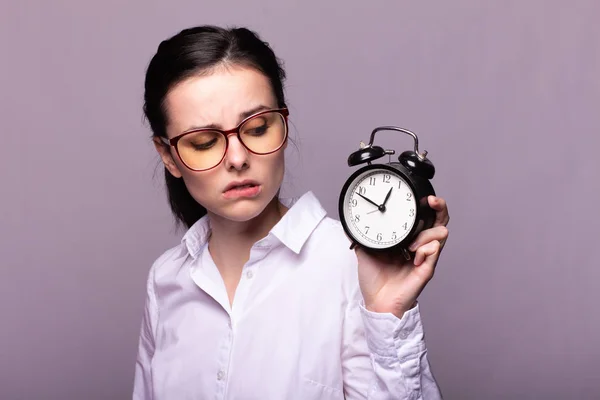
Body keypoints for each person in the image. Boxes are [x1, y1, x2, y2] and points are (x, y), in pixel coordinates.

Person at [133, 25, 450, 400]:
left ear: (283, 122)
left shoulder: (349, 264)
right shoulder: (166, 280)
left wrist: (388, 311)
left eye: (257, 128)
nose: (237, 158)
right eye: (204, 142)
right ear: (168, 155)